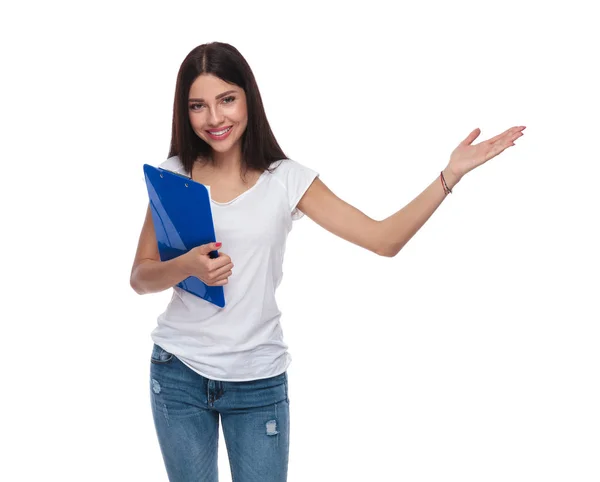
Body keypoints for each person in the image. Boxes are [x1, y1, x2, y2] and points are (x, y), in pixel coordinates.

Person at [130, 42, 526, 482]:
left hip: (258, 379)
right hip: (179, 372)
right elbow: (141, 277)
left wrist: (449, 176)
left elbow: (384, 239)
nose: (215, 118)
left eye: (227, 99)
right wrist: (187, 265)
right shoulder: (172, 176)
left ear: (248, 98)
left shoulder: (287, 179)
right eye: (198, 106)